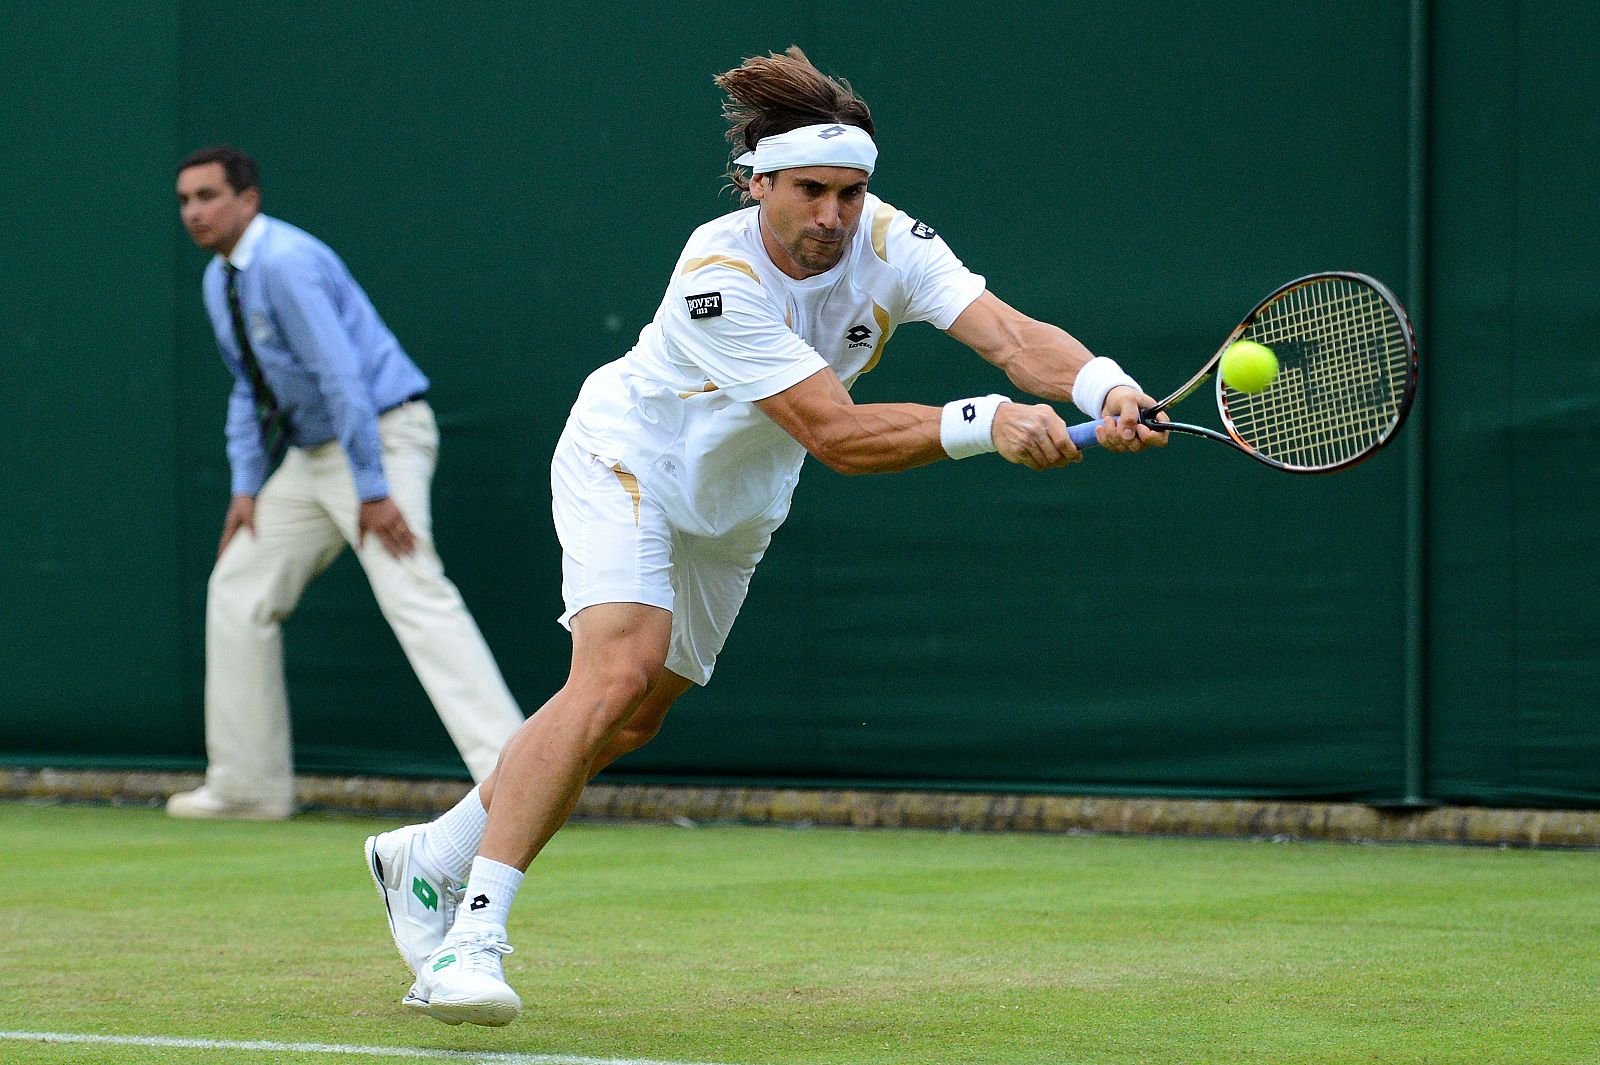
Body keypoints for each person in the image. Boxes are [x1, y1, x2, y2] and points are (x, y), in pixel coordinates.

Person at [363, 47, 1165, 1026]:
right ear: (758, 184)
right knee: (614, 672)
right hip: (628, 463)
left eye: (850, 191)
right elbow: (835, 434)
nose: (832, 216)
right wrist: (984, 424)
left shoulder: (891, 240)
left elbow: (1007, 334)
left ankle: (429, 858)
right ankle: (467, 942)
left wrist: (1104, 386)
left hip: (735, 505)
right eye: (809, 191)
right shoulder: (718, 276)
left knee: (634, 716)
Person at [168, 146, 524, 821]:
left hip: (382, 440)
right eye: (185, 200)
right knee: (238, 586)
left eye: (208, 196)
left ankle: (517, 776)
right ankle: (249, 784)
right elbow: (251, 386)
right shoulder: (222, 281)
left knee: (414, 590)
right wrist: (247, 487)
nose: (194, 212)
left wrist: (372, 487)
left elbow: (343, 379)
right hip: (313, 458)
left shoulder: (287, 263)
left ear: (249, 200)